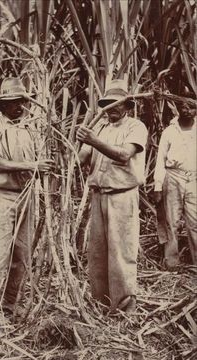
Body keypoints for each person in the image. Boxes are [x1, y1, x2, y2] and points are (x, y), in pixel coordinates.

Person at [0, 77, 54, 318]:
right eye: (13, 102)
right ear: (2, 103)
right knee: (0, 257)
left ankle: (10, 307)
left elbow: (43, 160)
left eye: (22, 101)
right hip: (2, 197)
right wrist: (33, 165)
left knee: (21, 256)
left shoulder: (29, 126)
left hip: (26, 197)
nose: (19, 106)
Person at [77, 79, 148, 314]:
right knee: (97, 253)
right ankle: (100, 304)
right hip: (98, 195)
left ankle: (125, 308)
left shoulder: (135, 127)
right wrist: (74, 141)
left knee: (121, 253)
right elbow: (82, 157)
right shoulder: (100, 127)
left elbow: (124, 155)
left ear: (127, 106)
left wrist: (93, 140)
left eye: (117, 104)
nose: (111, 108)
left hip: (122, 196)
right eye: (107, 104)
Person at [153, 101, 197, 269]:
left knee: (194, 221)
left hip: (193, 178)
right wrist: (158, 186)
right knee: (172, 221)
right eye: (184, 107)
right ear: (178, 109)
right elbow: (160, 160)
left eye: (191, 107)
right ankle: (171, 263)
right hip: (173, 177)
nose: (187, 110)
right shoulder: (169, 132)